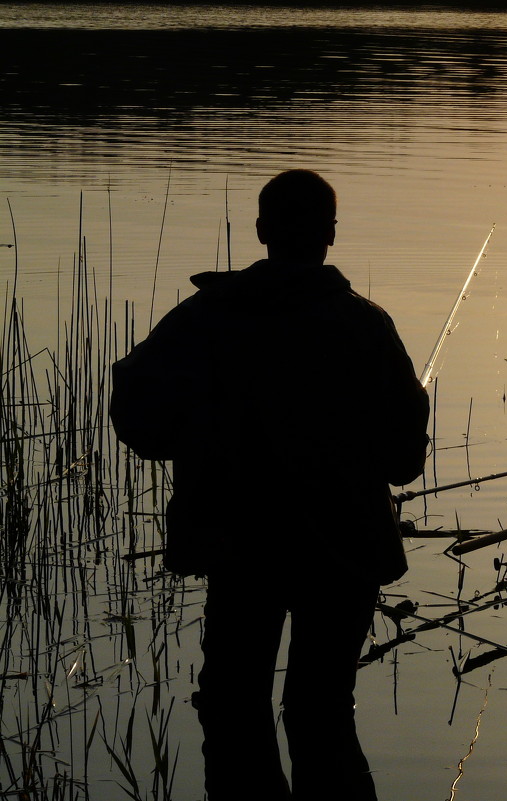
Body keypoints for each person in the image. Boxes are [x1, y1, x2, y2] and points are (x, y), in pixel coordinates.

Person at [110, 169, 430, 800]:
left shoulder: (202, 320)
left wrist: (189, 447)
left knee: (233, 706)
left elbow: (136, 406)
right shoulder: (365, 326)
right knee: (321, 709)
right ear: (330, 236)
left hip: (239, 552)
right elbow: (403, 460)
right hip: (342, 557)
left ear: (260, 231)